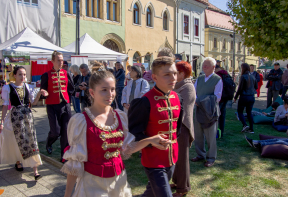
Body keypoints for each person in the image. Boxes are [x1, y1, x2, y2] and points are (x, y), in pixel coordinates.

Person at [61, 70, 171, 197]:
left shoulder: (120, 116)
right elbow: (75, 162)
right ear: (92, 92)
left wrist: (149, 140)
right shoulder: (81, 121)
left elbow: (126, 149)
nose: (110, 94)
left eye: (112, 89)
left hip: (119, 182)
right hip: (92, 184)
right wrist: (67, 195)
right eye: (104, 90)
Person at [128, 57, 184, 197]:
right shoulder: (144, 102)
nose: (173, 78)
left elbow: (177, 128)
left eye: (174, 73)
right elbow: (135, 133)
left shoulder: (178, 98)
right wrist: (151, 141)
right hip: (153, 160)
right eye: (166, 74)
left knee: (151, 193)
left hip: (172, 157)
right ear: (154, 77)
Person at [0, 66, 46, 180]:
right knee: (17, 139)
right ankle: (18, 161)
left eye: (24, 74)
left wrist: (39, 94)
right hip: (15, 117)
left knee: (31, 141)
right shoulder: (7, 88)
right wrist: (2, 122)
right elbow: (5, 106)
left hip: (27, 116)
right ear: (14, 75)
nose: (23, 77)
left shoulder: (28, 87)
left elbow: (32, 102)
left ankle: (35, 170)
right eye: (20, 74)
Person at [41, 51, 75, 160]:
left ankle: (64, 156)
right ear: (52, 61)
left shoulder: (67, 73)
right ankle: (49, 142)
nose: (61, 62)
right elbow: (43, 90)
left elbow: (71, 89)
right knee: (55, 131)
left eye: (62, 60)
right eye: (58, 60)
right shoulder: (46, 75)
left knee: (65, 132)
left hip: (65, 105)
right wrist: (44, 93)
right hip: (52, 106)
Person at [192, 57, 222, 168]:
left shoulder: (217, 79)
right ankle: (200, 154)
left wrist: (201, 100)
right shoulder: (199, 78)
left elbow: (217, 97)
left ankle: (211, 158)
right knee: (198, 134)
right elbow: (194, 92)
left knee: (210, 136)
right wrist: (196, 100)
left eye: (207, 65)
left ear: (213, 67)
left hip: (210, 111)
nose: (204, 67)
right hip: (199, 109)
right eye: (203, 65)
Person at [170, 61, 195, 196]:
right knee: (175, 157)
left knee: (182, 159)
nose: (173, 76)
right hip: (175, 126)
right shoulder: (177, 86)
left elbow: (180, 108)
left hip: (183, 126)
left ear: (182, 73)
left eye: (175, 73)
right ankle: (177, 181)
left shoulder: (188, 87)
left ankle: (183, 188)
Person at [234, 63, 258, 133]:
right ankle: (251, 129)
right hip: (251, 96)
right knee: (249, 112)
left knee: (240, 112)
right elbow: (256, 87)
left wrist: (235, 97)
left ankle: (245, 125)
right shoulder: (253, 76)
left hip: (244, 96)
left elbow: (240, 88)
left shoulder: (243, 76)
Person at [215, 66, 231, 137]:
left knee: (216, 116)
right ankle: (222, 131)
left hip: (220, 98)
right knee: (222, 116)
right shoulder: (227, 74)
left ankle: (216, 133)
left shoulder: (217, 76)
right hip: (226, 97)